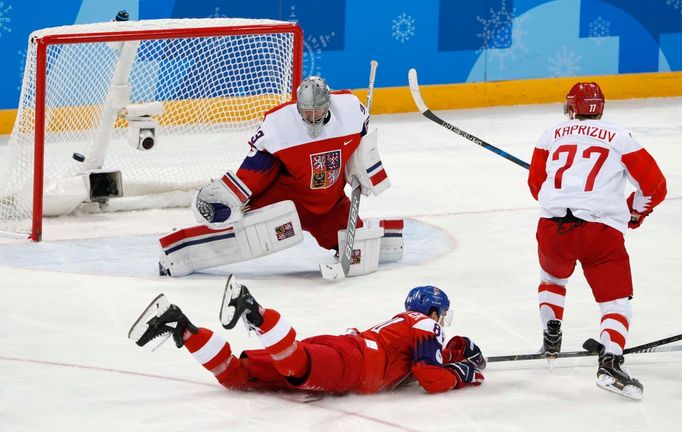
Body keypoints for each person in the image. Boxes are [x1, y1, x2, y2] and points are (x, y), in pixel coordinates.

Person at [158, 76, 402, 277]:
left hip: (329, 204)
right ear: (298, 106)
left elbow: (362, 143)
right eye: (308, 112)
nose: (313, 117)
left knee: (360, 248)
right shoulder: (279, 125)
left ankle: (380, 235)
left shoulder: (350, 111)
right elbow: (260, 168)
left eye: (319, 111)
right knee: (243, 233)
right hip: (285, 199)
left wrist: (364, 167)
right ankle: (179, 251)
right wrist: (233, 193)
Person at [527, 81, 667, 400]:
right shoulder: (619, 137)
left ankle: (552, 332)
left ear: (572, 107)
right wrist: (634, 213)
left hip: (552, 229)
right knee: (615, 302)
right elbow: (655, 186)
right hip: (599, 232)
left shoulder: (551, 134)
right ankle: (610, 362)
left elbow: (536, 186)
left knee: (552, 279)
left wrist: (561, 192)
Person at [129, 275, 486, 394]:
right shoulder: (426, 324)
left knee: (238, 377)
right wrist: (461, 374)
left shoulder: (402, 324)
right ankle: (252, 308)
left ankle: (181, 326)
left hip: (343, 349)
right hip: (353, 364)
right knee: (296, 367)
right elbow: (430, 376)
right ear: (436, 311)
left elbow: (414, 367)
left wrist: (452, 358)